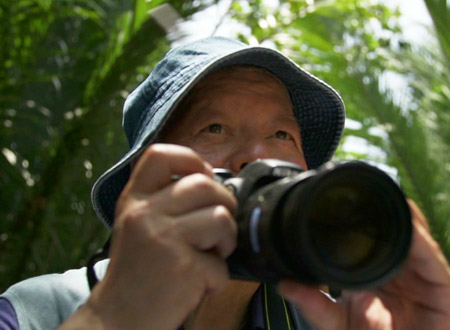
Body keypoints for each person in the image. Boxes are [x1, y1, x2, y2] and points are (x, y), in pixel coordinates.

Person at [1, 36, 449, 330]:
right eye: (214, 128)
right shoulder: (34, 312)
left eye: (282, 135)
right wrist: (111, 318)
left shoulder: (334, 324)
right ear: (145, 179)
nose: (258, 159)